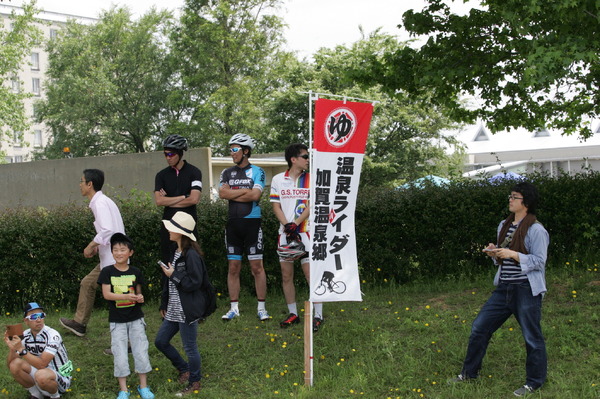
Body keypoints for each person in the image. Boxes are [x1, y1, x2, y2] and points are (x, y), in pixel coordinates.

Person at [450, 182, 549, 397]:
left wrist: (513, 255)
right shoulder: (503, 225)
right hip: (504, 288)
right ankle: (469, 374)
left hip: (525, 290)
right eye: (510, 196)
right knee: (479, 328)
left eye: (515, 197)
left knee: (532, 337)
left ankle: (534, 383)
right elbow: (502, 259)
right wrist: (495, 254)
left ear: (527, 203)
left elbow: (539, 262)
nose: (510, 200)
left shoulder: (536, 230)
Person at [60, 169, 125, 337]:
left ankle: (129, 340)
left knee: (119, 301)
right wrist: (98, 245)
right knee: (88, 283)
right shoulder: (102, 201)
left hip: (113, 260)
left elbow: (107, 229)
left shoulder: (100, 203)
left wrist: (90, 245)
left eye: (82, 181)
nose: (80, 185)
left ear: (90, 184)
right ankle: (79, 324)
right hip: (110, 258)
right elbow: (107, 232)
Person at [270, 143, 324, 332]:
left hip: (306, 232)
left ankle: (318, 315)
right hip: (285, 234)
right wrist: (287, 225)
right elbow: (275, 205)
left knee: (311, 274)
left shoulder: (311, 179)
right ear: (293, 159)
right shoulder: (278, 179)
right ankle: (293, 313)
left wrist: (296, 223)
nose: (308, 160)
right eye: (305, 156)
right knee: (287, 275)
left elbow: (311, 205)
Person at [155, 212, 207, 396]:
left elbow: (195, 282)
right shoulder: (175, 252)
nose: (168, 230)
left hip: (187, 310)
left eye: (172, 227)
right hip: (174, 309)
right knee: (160, 341)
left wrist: (173, 275)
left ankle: (195, 381)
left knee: (190, 347)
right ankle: (184, 369)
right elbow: (169, 283)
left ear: (180, 232)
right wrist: (164, 302)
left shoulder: (191, 255)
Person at [218, 133, 270, 321]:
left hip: (252, 223)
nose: (231, 153)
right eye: (230, 149)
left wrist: (234, 192)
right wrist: (244, 191)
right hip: (233, 223)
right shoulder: (226, 172)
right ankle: (234, 308)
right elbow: (222, 194)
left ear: (245, 151)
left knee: (257, 267)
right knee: (233, 267)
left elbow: (255, 196)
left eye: (234, 149)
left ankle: (261, 307)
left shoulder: (258, 171)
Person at [98, 233, 154, 399]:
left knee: (141, 351)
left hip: (136, 318)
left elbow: (138, 293)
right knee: (120, 354)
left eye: (122, 249)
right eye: (115, 250)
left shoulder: (136, 271)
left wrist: (140, 297)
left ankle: (143, 386)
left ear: (131, 253)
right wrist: (125, 297)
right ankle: (123, 390)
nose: (118, 253)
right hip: (117, 321)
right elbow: (107, 294)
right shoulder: (107, 272)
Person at [5, 302, 72, 399]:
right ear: (26, 321)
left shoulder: (53, 335)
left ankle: (55, 396)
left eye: (41, 315)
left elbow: (42, 364)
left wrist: (21, 349)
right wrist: (12, 349)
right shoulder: (25, 335)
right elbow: (10, 365)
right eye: (33, 317)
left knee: (41, 375)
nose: (38, 319)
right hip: (40, 374)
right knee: (14, 364)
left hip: (60, 376)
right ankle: (36, 394)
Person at [154, 134, 203, 265]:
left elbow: (194, 199)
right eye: (165, 154)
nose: (167, 158)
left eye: (171, 154)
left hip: (188, 225)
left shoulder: (194, 172)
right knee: (168, 263)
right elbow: (159, 201)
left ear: (180, 153)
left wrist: (169, 200)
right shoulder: (161, 175)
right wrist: (182, 197)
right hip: (168, 226)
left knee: (191, 263)